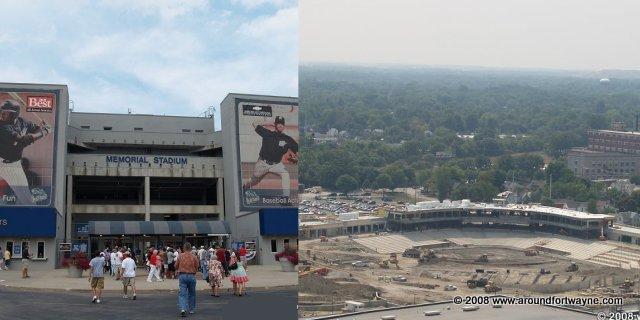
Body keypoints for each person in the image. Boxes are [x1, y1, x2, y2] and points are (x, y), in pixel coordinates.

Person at [0, 99, 52, 205]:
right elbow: (23, 140)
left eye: (5, 112)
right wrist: (45, 132)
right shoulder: (3, 127)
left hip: (13, 166)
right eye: (2, 112)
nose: (2, 115)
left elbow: (36, 129)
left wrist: (43, 128)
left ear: (14, 115)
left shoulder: (23, 122)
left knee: (27, 200)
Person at [242, 116, 298, 200]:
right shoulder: (267, 133)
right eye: (278, 123)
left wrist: (296, 158)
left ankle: (286, 198)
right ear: (275, 124)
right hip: (263, 163)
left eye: (282, 124)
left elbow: (296, 150)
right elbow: (254, 124)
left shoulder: (287, 139)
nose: (280, 125)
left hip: (276, 164)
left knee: (285, 174)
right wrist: (267, 123)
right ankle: (245, 187)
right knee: (255, 180)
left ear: (284, 126)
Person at [175, 242, 199, 317]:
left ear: (184, 248)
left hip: (182, 275)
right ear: (190, 248)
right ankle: (191, 309)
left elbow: (176, 266)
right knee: (192, 293)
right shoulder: (194, 256)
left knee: (182, 294)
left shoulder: (180, 256)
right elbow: (197, 266)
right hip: (191, 276)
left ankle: (183, 308)